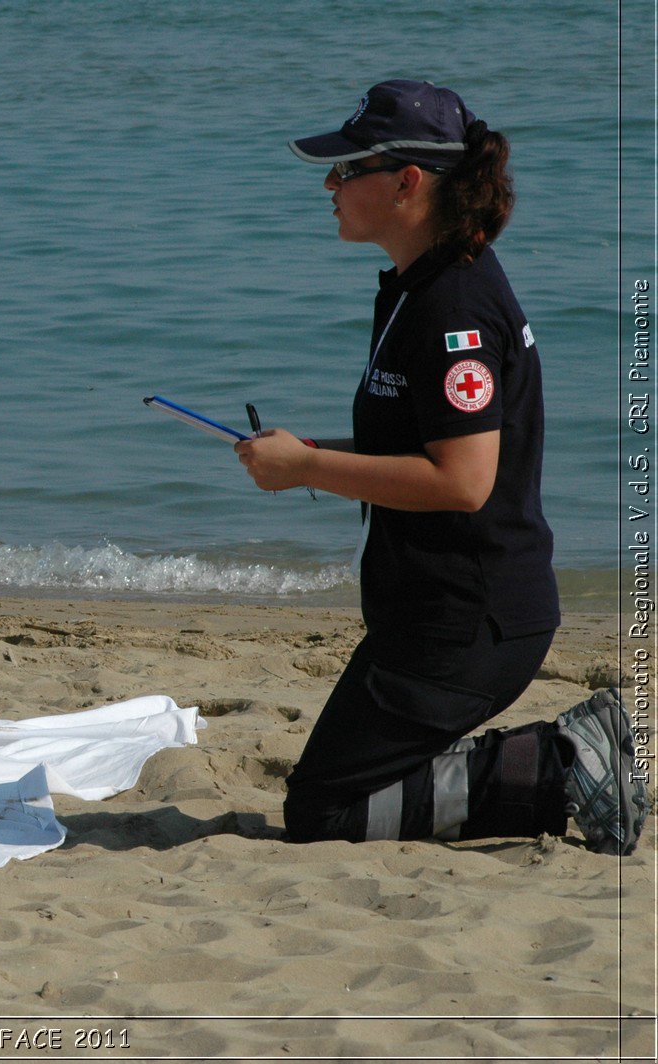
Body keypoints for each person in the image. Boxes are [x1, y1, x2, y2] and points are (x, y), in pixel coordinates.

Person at [235, 80, 646, 853]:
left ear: (406, 182)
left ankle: (564, 761)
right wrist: (308, 457)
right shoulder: (418, 285)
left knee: (324, 813)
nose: (329, 185)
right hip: (433, 612)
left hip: (470, 622)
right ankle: (561, 756)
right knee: (336, 796)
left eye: (346, 168)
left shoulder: (454, 305)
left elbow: (463, 480)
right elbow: (421, 451)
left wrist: (311, 471)